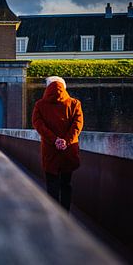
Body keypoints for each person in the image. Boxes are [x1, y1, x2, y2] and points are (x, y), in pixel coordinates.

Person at [32, 76, 83, 211]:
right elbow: (77, 125)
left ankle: (54, 215)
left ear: (47, 87)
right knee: (66, 184)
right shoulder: (74, 103)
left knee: (52, 184)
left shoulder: (40, 105)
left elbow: (38, 124)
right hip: (68, 150)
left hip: (50, 151)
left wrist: (54, 140)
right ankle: (65, 214)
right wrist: (66, 141)